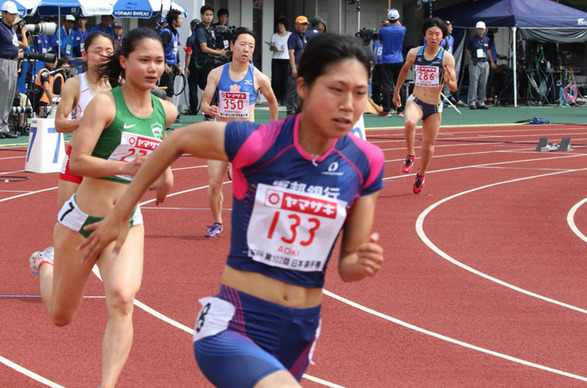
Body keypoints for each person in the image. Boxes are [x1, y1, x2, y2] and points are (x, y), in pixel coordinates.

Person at [77, 32, 384, 388]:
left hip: (298, 331)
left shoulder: (366, 163)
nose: (349, 104)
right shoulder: (260, 142)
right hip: (234, 325)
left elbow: (347, 266)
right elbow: (177, 140)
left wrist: (359, 265)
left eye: (360, 93)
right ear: (303, 87)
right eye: (336, 89)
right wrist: (120, 213)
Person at [28, 27, 177, 388]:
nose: (153, 68)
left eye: (159, 61)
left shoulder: (166, 111)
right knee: (62, 316)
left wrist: (165, 175)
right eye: (144, 60)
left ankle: (106, 385)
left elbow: (158, 152)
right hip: (81, 220)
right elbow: (77, 161)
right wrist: (127, 168)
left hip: (126, 219)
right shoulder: (105, 104)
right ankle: (46, 265)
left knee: (123, 299)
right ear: (124, 63)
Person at [200, 27, 279, 238]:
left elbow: (273, 102)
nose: (246, 49)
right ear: (232, 46)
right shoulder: (216, 74)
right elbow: (204, 104)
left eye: (251, 46)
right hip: (220, 135)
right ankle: (217, 222)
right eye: (242, 44)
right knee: (214, 182)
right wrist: (208, 108)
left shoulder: (259, 78)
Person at [393, 17, 457, 194]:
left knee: (428, 146)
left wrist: (448, 77)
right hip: (417, 100)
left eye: (437, 34)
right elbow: (404, 71)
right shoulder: (414, 53)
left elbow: (454, 86)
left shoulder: (447, 58)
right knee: (410, 122)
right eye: (430, 33)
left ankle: (421, 174)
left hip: (434, 106)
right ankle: (410, 154)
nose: (433, 37)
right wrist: (396, 91)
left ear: (443, 37)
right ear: (425, 35)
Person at [54, 31, 114, 209]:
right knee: (66, 218)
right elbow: (59, 123)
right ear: (85, 54)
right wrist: (87, 122)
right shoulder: (75, 84)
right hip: (78, 156)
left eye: (109, 52)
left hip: (108, 158)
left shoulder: (120, 85)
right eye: (98, 51)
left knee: (103, 220)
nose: (104, 56)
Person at [0, 0, 27, 139]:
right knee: (2, 93)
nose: (13, 17)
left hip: (12, 62)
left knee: (9, 94)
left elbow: (17, 44)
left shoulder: (11, 29)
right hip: (3, 61)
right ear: (3, 14)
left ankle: (4, 125)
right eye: (10, 14)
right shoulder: (0, 27)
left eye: (14, 14)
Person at [377, 8, 406, 117]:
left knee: (386, 85)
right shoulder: (402, 29)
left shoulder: (383, 30)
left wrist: (387, 22)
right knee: (399, 85)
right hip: (398, 60)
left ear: (389, 18)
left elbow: (380, 40)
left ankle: (387, 110)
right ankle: (400, 110)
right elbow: (399, 25)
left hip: (386, 60)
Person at [464, 21, 495, 110]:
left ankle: (481, 101)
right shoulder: (472, 39)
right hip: (475, 62)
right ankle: (472, 101)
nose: (481, 31)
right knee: (474, 83)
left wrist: (491, 61)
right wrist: (471, 57)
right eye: (479, 29)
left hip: (484, 62)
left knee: (483, 83)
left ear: (485, 30)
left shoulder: (487, 39)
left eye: (482, 29)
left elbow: (488, 50)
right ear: (476, 29)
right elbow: (468, 49)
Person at [286, 15, 308, 116]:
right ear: (296, 25)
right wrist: (294, 68)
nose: (304, 27)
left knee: (300, 87)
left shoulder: (304, 37)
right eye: (302, 24)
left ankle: (297, 108)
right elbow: (291, 53)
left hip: (303, 65)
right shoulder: (293, 37)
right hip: (295, 64)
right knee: (292, 89)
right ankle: (290, 109)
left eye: (305, 24)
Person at [159, 9, 182, 102]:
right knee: (166, 90)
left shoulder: (176, 33)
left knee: (169, 90)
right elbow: (160, 49)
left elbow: (176, 49)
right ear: (174, 21)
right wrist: (164, 64)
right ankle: (168, 113)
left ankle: (169, 112)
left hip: (172, 65)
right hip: (166, 65)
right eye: (180, 19)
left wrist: (179, 63)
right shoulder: (166, 32)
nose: (181, 21)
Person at [269, 18, 290, 106]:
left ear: (285, 26)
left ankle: (284, 98)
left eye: (281, 25)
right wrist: (273, 48)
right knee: (276, 79)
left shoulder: (290, 35)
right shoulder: (274, 36)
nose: (279, 27)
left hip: (286, 58)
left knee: (286, 79)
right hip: (276, 59)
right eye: (278, 25)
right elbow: (270, 48)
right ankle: (276, 97)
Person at [183, 18, 201, 114]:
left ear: (192, 27)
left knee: (193, 88)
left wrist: (186, 67)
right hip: (205, 66)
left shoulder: (191, 39)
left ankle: (193, 109)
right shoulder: (204, 37)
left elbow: (188, 53)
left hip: (193, 66)